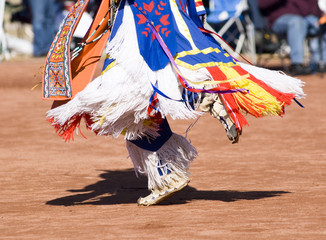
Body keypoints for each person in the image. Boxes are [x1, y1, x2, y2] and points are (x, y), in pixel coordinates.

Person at [43, 0, 304, 206]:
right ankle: (168, 172)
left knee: (126, 96)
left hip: (143, 14)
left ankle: (205, 96)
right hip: (158, 9)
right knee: (148, 88)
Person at [258, 0, 326, 75]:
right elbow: (262, 4)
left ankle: (320, 62)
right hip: (279, 19)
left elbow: (311, 4)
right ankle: (297, 65)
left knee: (323, 22)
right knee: (297, 22)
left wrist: (320, 15)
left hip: (306, 17)